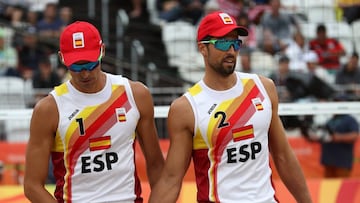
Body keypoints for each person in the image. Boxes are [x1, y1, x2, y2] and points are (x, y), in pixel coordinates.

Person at [149, 11, 312, 203]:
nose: (231, 50)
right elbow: (171, 180)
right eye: (223, 43)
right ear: (202, 48)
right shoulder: (186, 108)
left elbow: (283, 155)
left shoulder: (263, 87)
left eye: (235, 43)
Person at [24, 21, 164, 202]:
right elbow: (32, 185)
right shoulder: (49, 109)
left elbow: (156, 166)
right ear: (61, 58)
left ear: (102, 51)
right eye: (76, 66)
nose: (84, 74)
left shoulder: (135, 94)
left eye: (90, 64)